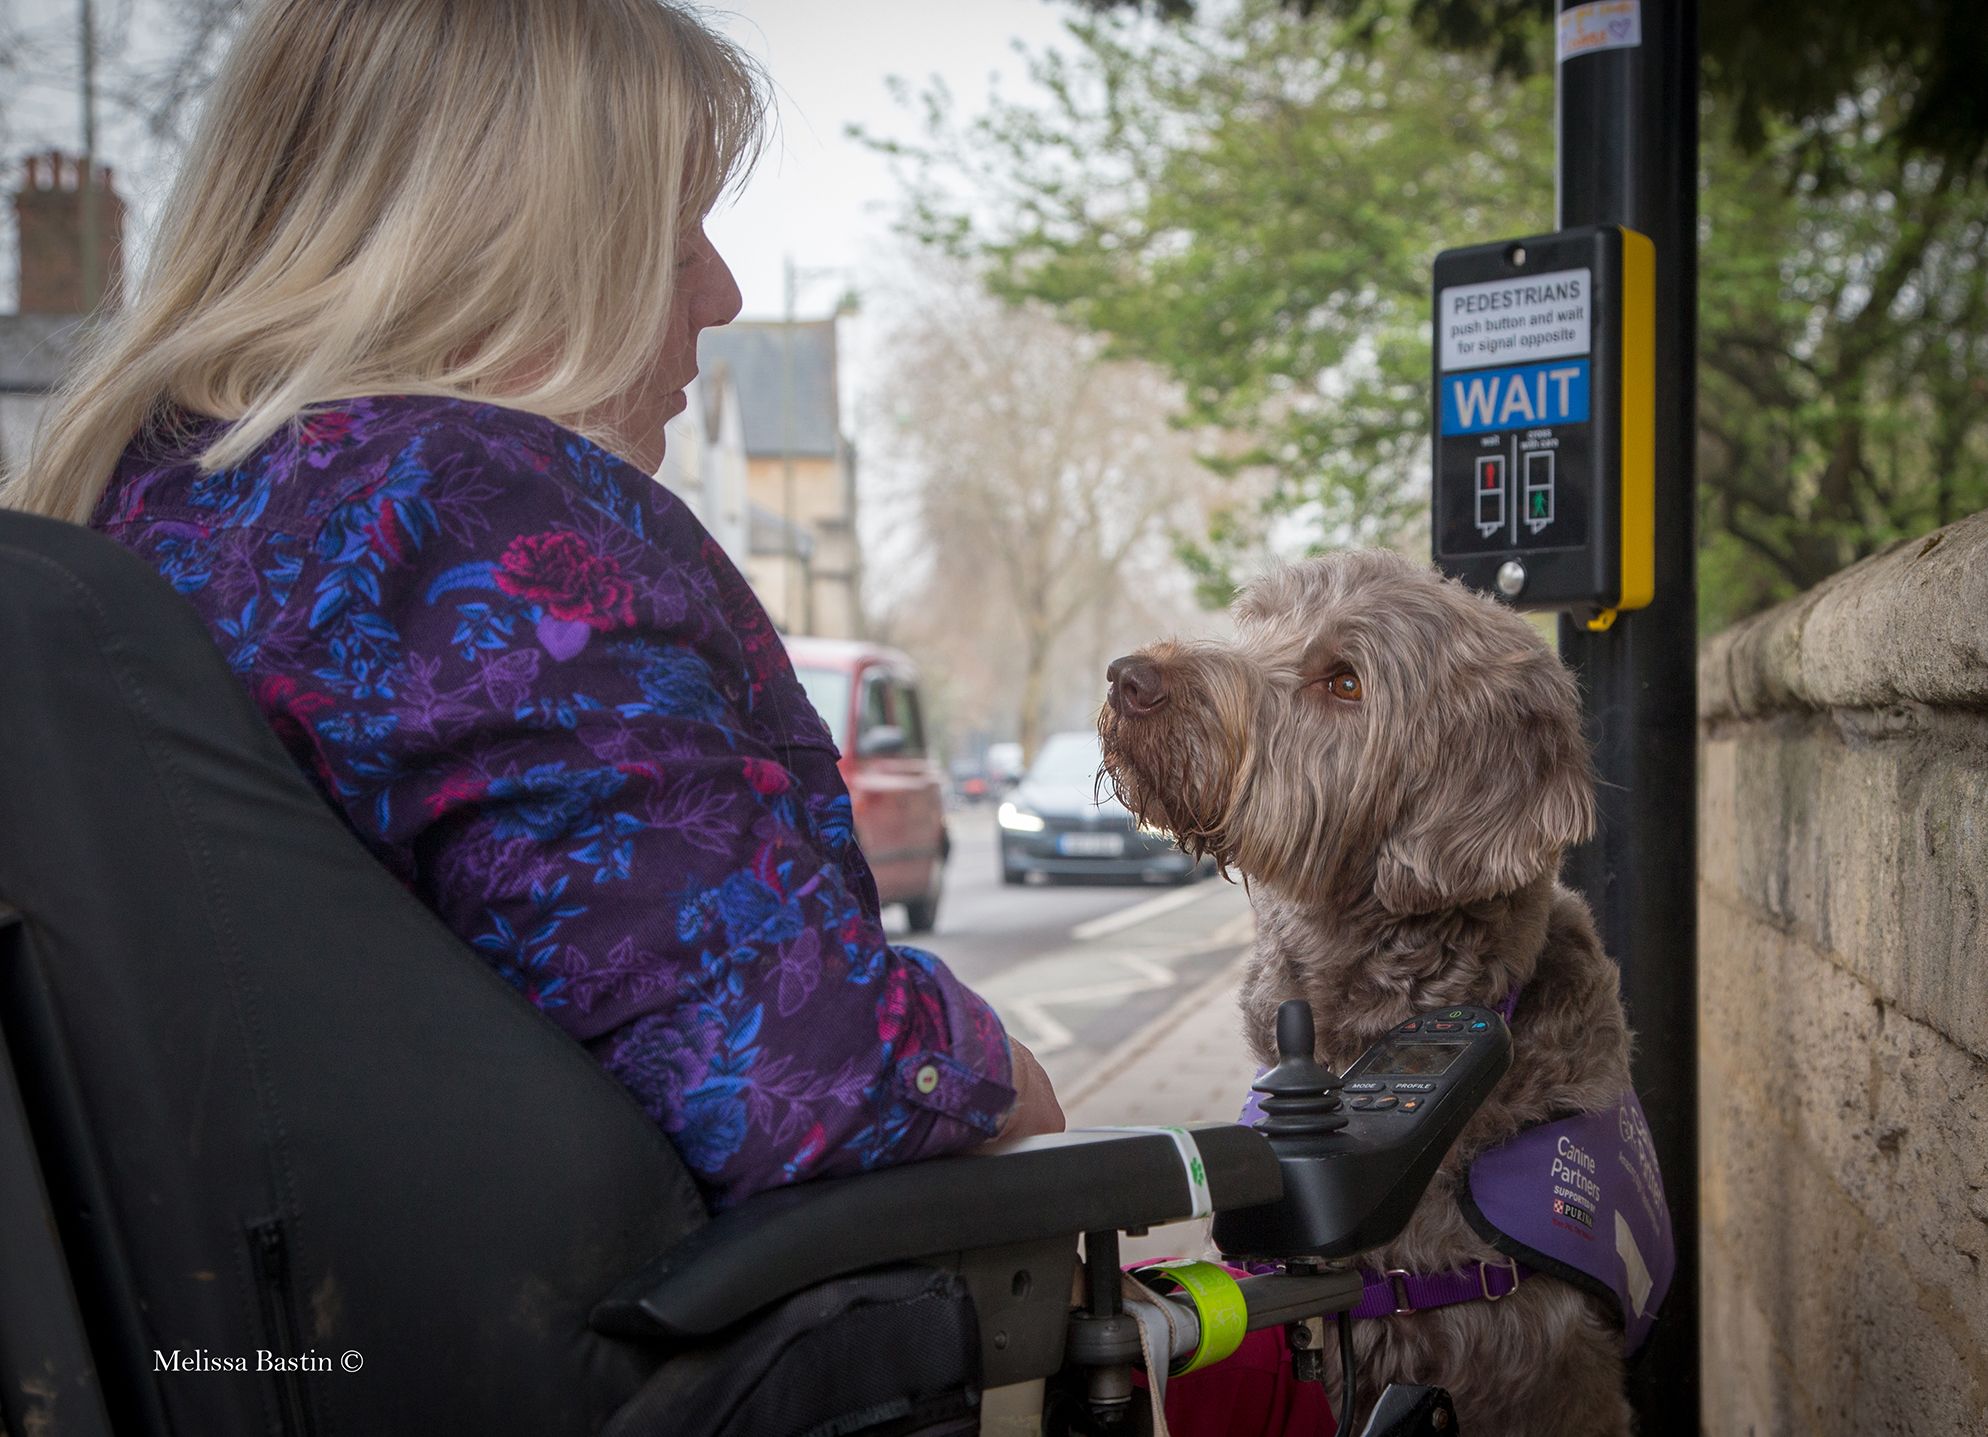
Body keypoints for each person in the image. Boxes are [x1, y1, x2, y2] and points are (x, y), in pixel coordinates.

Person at [6, 0, 1061, 1212]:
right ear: (509, 250)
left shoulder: (134, 504)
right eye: (673, 239)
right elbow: (791, 1074)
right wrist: (998, 1073)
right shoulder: (471, 521)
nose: (717, 295)